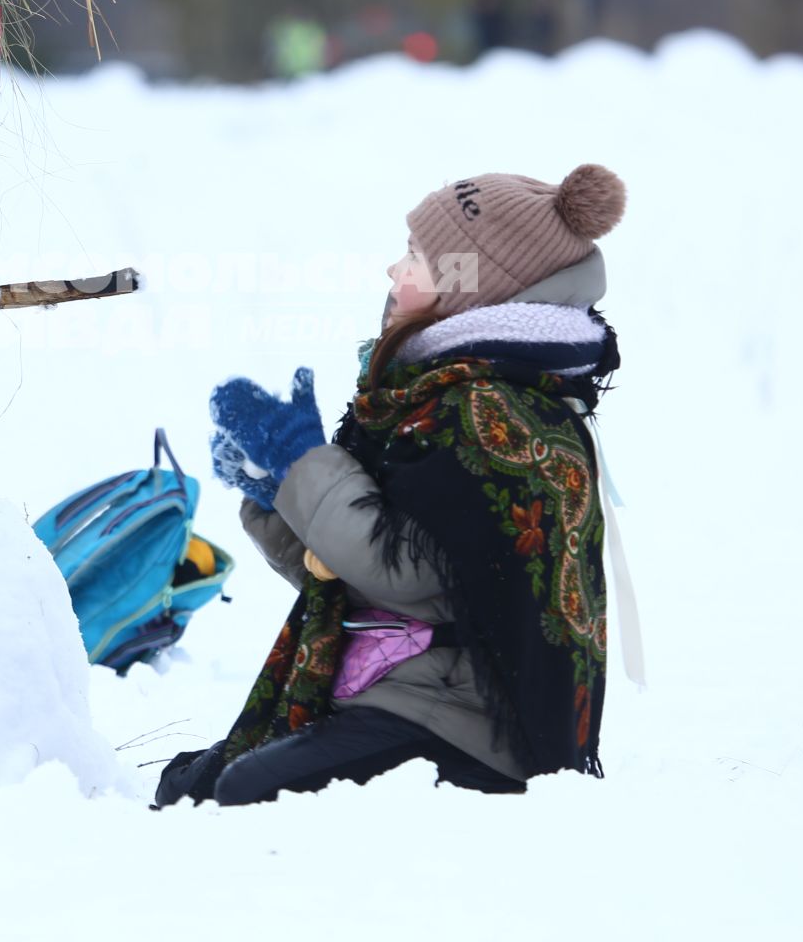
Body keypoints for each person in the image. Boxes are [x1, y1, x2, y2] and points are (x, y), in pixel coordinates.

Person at [156, 164, 627, 807]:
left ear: (474, 285)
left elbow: (406, 573)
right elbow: (354, 582)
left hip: (470, 725)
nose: (393, 271)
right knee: (191, 787)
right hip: (401, 688)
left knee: (244, 793)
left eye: (416, 255)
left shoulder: (496, 415)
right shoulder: (434, 394)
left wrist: (303, 465)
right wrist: (275, 493)